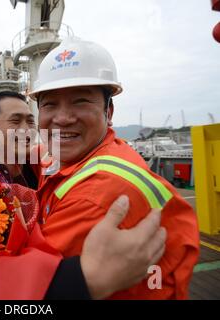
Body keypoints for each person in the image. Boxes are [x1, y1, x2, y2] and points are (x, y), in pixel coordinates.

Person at [0, 92, 167, 299]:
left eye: (30, 121)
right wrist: (78, 280)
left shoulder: (38, 167)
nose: (26, 130)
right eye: (15, 121)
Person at [29, 37, 199, 299]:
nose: (62, 118)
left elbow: (29, 291)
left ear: (108, 112)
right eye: (50, 104)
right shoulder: (88, 154)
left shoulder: (96, 197)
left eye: (80, 101)